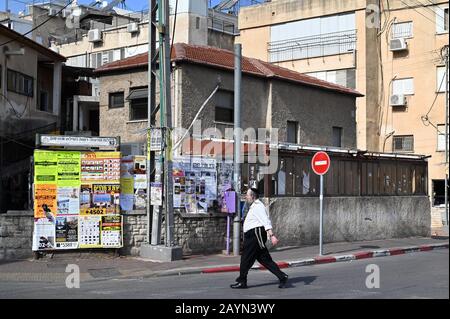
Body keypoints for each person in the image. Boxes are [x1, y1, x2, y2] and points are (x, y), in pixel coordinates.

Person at [230, 188, 289, 289]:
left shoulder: (258, 206)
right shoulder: (254, 206)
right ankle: (282, 276)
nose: (246, 197)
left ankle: (242, 281)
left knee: (245, 258)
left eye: (247, 195)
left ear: (252, 196)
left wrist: (272, 235)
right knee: (264, 259)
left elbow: (265, 221)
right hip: (253, 235)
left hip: (255, 235)